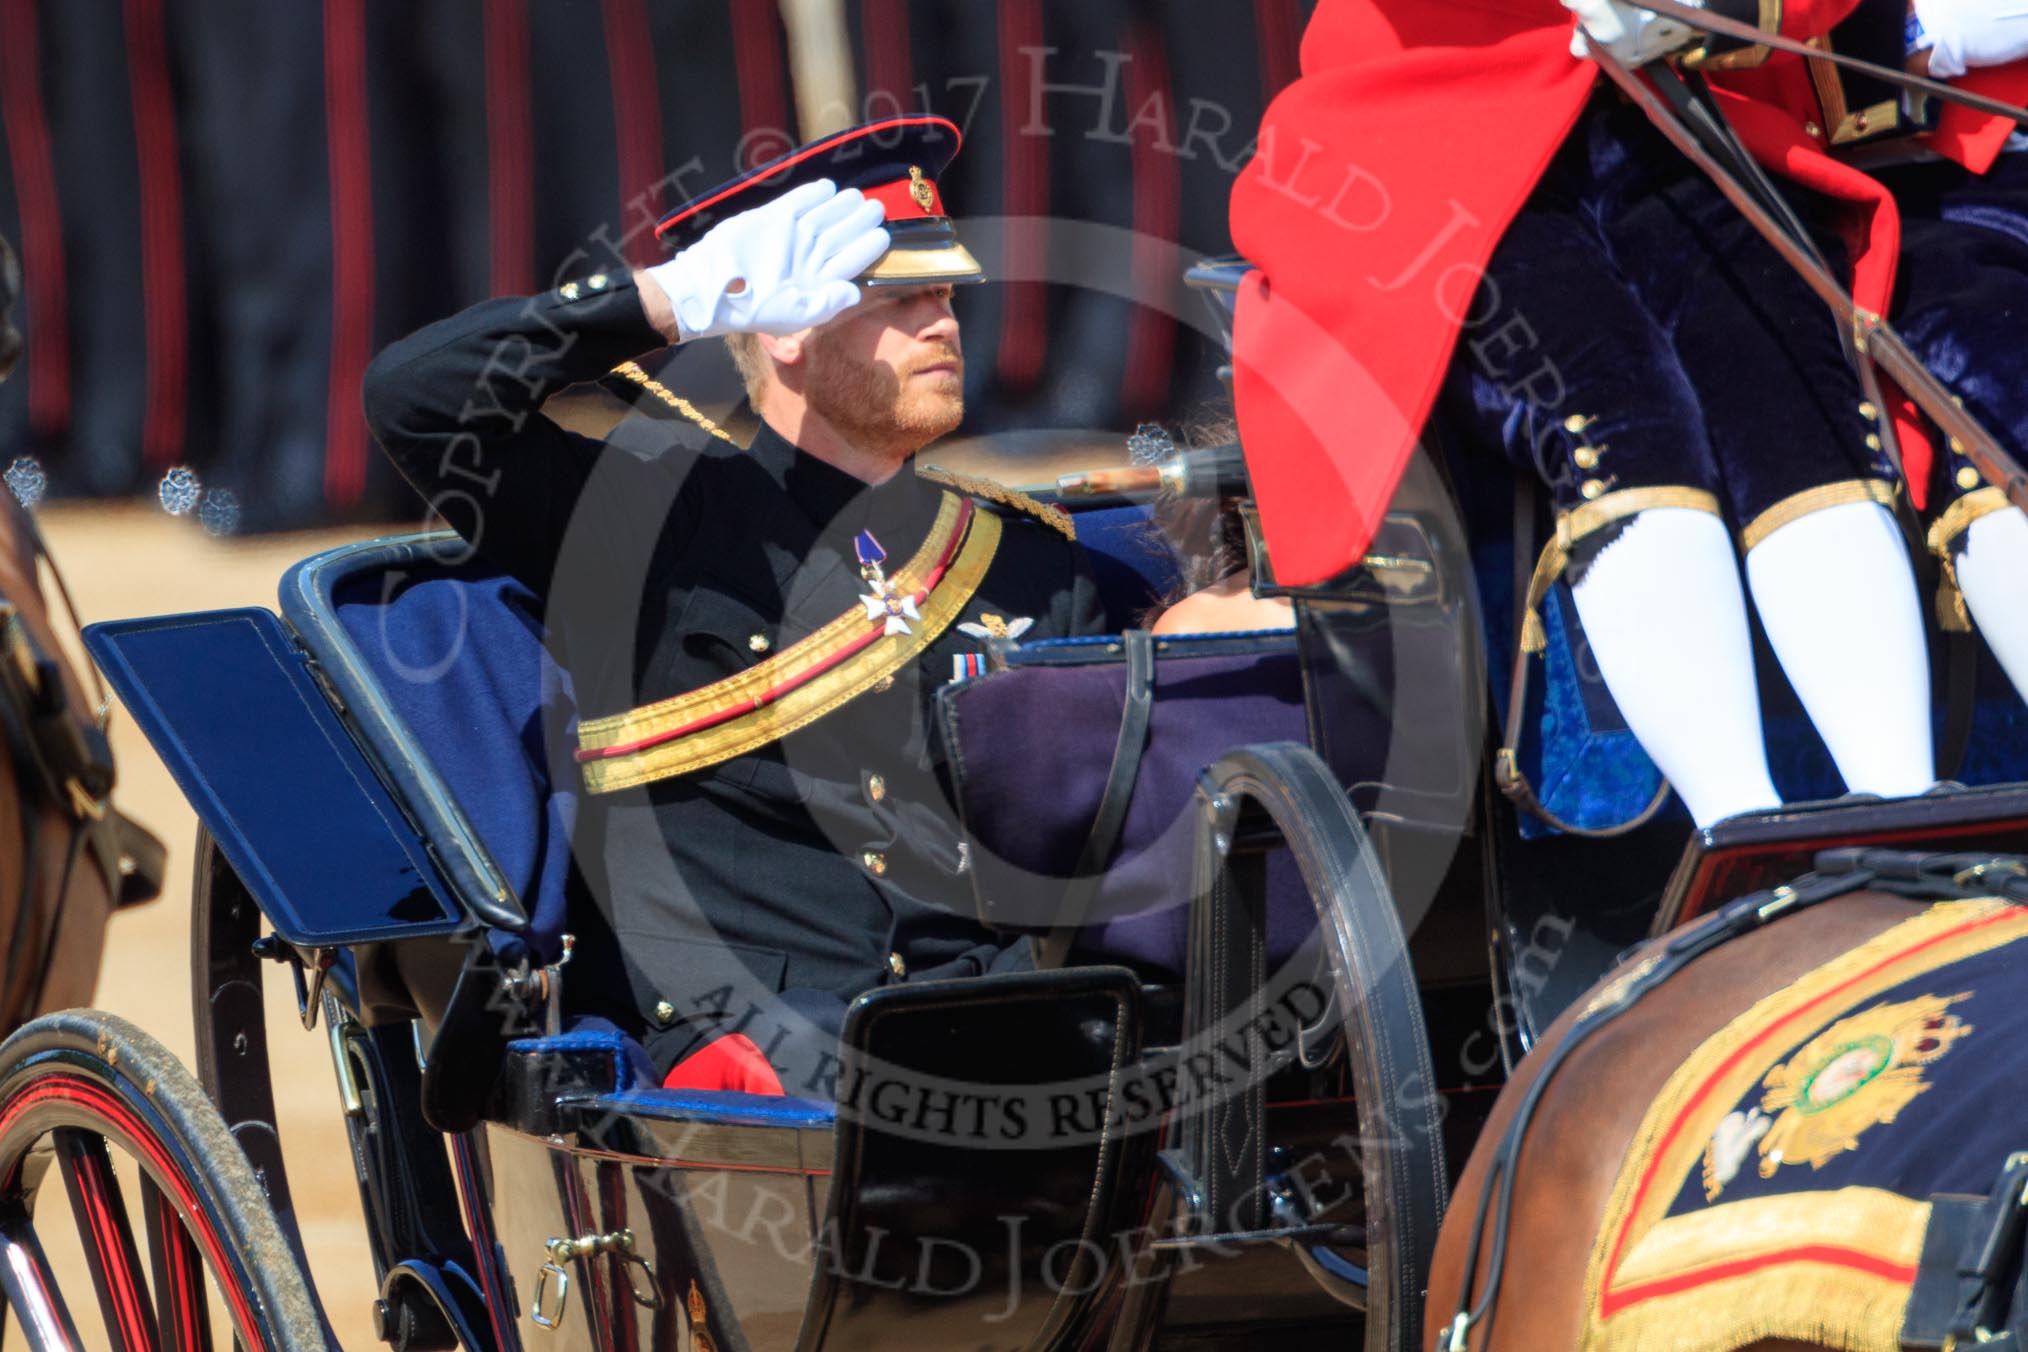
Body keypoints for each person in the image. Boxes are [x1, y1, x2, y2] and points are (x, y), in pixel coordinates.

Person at [363, 117, 1106, 1096]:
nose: (944, 322)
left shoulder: (1024, 562)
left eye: (946, 293)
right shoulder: (640, 520)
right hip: (764, 1061)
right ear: (787, 324)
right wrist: (667, 302)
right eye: (898, 297)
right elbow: (415, 395)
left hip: (998, 1037)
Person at [1229, 0, 1970, 829]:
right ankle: (1741, 830)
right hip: (1424, 130)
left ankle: (1904, 813)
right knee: (1618, 419)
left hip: (1668, 99)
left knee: (1799, 409)